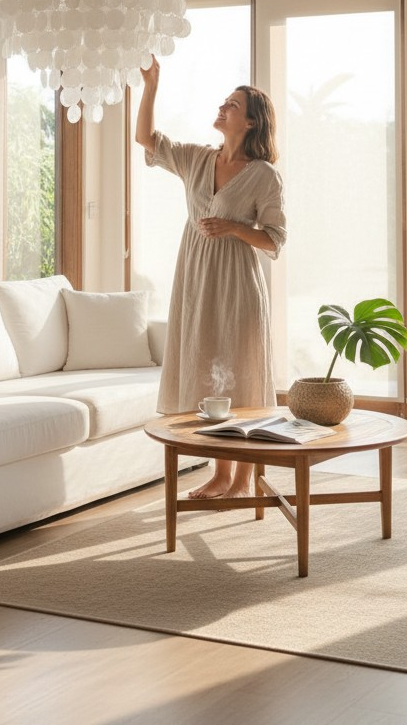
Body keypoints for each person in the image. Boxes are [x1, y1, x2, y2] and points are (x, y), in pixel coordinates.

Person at [136, 56, 287, 498]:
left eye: (232, 105)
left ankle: (244, 479)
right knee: (209, 375)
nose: (222, 108)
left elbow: (275, 239)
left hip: (238, 285)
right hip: (197, 280)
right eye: (224, 102)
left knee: (242, 374)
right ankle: (221, 474)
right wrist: (151, 86)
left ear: (252, 121)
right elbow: (146, 139)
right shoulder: (196, 159)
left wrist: (234, 227)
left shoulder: (264, 176)